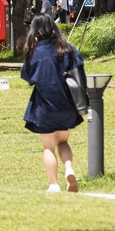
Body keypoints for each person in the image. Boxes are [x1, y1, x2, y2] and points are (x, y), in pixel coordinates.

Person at [19, 14, 82, 193]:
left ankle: (54, 184)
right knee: (63, 142)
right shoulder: (68, 49)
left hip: (44, 107)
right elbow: (79, 74)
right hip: (66, 104)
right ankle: (69, 170)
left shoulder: (35, 53)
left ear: (36, 31)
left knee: (48, 146)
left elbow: (27, 76)